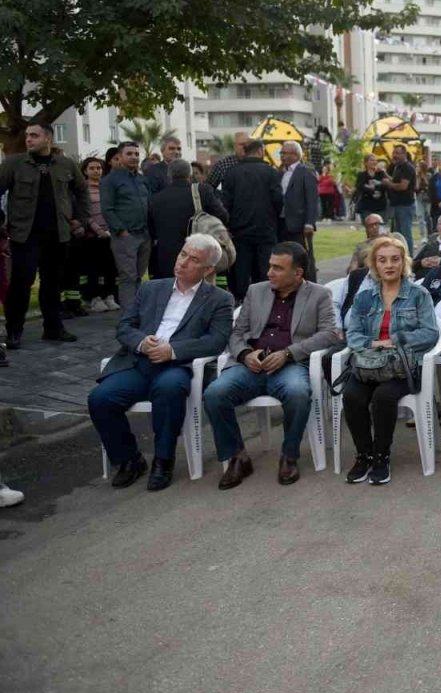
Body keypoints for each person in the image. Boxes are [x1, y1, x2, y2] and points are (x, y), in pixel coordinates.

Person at [88, 234, 234, 491]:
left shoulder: (219, 299)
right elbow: (125, 326)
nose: (183, 262)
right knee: (100, 398)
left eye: (193, 260)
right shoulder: (151, 288)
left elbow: (217, 341)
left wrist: (173, 350)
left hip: (176, 366)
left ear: (208, 269)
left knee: (169, 389)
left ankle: (163, 460)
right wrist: (143, 342)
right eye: (182, 254)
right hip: (138, 363)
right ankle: (129, 459)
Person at [203, 242, 339, 489]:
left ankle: (289, 455)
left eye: (278, 268)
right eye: (270, 266)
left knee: (298, 394)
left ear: (297, 273)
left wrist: (289, 353)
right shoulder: (256, 291)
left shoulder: (319, 294)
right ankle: (238, 456)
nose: (269, 272)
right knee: (214, 393)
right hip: (250, 365)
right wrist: (245, 354)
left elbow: (330, 333)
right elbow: (237, 332)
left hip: (290, 365)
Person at [341, 236, 441, 486]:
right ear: (375, 264)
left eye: (395, 259)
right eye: (382, 260)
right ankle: (364, 455)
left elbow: (430, 333)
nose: (389, 265)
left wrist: (394, 340)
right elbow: (352, 332)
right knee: (352, 396)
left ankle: (381, 457)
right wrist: (371, 344)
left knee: (382, 398)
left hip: (402, 366)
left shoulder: (419, 294)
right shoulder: (364, 297)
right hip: (367, 363)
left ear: (404, 262)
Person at [0, 122, 91, 348]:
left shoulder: (65, 164)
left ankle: (53, 328)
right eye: (27, 135)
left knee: (53, 283)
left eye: (34, 135)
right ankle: (14, 331)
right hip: (25, 235)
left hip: (58, 234)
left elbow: (82, 191)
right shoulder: (14, 164)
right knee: (21, 284)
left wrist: (81, 219)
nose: (29, 139)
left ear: (48, 138)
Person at [221, 140, 284, 302]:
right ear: (260, 151)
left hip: (239, 229)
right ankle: (265, 299)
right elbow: (278, 199)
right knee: (265, 267)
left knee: (241, 267)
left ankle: (241, 299)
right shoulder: (271, 172)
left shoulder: (231, 173)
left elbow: (225, 203)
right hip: (265, 227)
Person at [148, 159, 229, 279]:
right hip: (199, 253)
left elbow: (152, 231)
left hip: (166, 258)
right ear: (189, 174)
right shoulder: (203, 191)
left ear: (169, 175)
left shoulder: (155, 199)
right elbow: (223, 216)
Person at [101, 141, 152, 311]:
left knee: (138, 276)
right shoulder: (110, 180)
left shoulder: (142, 179)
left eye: (136, 154)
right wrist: (121, 231)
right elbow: (107, 209)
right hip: (125, 236)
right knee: (128, 277)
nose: (134, 157)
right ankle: (128, 317)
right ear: (120, 157)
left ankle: (136, 312)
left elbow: (150, 204)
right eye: (129, 154)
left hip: (144, 235)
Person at [76, 157, 119, 312]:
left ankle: (109, 296)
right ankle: (94, 298)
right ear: (85, 171)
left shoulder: (107, 187)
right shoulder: (83, 189)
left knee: (110, 268)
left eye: (99, 168)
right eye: (92, 168)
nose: (96, 171)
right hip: (92, 236)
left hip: (110, 233)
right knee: (94, 268)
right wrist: (98, 230)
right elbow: (85, 214)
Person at [278, 140, 319, 278]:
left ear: (295, 154)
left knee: (303, 255)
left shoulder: (306, 171)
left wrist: (309, 223)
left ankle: (310, 282)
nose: (281, 156)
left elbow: (312, 199)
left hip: (300, 223)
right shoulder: (280, 172)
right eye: (281, 153)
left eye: (284, 153)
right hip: (282, 221)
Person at [385, 144, 417, 253]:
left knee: (405, 234)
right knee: (396, 234)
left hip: (405, 205)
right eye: (394, 153)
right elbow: (395, 180)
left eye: (397, 153)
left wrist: (389, 184)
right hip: (396, 204)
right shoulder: (396, 167)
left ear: (404, 154)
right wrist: (386, 176)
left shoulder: (407, 168)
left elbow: (403, 186)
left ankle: (410, 258)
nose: (395, 155)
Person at [353, 154, 389, 222]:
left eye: (375, 160)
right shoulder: (362, 175)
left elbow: (386, 185)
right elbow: (360, 186)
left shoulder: (381, 173)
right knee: (369, 227)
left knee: (381, 228)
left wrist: (375, 186)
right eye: (372, 160)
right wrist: (372, 189)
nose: (374, 162)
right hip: (367, 206)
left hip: (380, 205)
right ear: (366, 163)